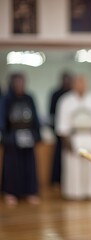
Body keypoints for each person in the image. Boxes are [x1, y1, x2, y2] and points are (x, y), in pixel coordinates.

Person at [56, 75, 91, 200]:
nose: (80, 85)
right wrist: (67, 143)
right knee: (73, 168)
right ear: (73, 84)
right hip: (74, 137)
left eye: (83, 82)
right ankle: (74, 193)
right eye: (78, 82)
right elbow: (62, 125)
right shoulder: (65, 101)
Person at [0, 73, 41, 206]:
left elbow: (35, 117)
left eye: (22, 82)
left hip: (28, 135)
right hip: (12, 136)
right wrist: (5, 136)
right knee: (12, 167)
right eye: (17, 83)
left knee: (29, 166)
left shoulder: (29, 98)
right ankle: (11, 192)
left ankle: (30, 192)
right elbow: (2, 119)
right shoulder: (6, 99)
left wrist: (37, 135)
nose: (20, 86)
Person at [48, 72, 72, 186]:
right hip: (61, 131)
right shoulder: (56, 94)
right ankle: (56, 180)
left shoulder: (73, 95)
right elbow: (52, 114)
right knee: (59, 157)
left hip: (73, 133)